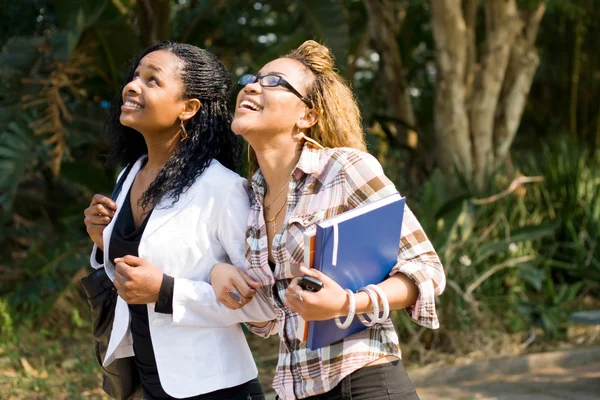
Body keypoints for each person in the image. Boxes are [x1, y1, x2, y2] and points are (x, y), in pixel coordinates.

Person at [209, 40, 446, 400]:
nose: (252, 86)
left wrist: (348, 304)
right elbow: (271, 320)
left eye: (274, 81)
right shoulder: (250, 197)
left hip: (363, 380)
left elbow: (426, 269)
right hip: (295, 389)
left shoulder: (344, 169)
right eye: (252, 78)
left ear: (307, 115)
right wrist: (221, 277)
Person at [83, 41, 274, 400]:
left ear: (188, 108)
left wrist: (167, 291)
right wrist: (103, 241)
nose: (132, 85)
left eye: (152, 80)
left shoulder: (223, 188)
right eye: (135, 75)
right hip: (144, 382)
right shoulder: (129, 175)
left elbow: (263, 304)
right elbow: (135, 272)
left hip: (213, 387)